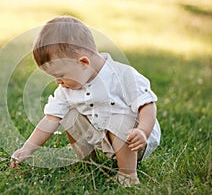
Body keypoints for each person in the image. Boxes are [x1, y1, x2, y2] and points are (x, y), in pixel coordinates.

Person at [10, 16, 161, 187]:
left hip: (134, 141)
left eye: (60, 75)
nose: (58, 82)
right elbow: (50, 119)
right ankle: (89, 163)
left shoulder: (122, 75)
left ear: (83, 62)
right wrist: (27, 148)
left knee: (118, 117)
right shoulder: (67, 89)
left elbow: (147, 104)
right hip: (101, 138)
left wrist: (143, 131)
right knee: (69, 113)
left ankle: (128, 173)